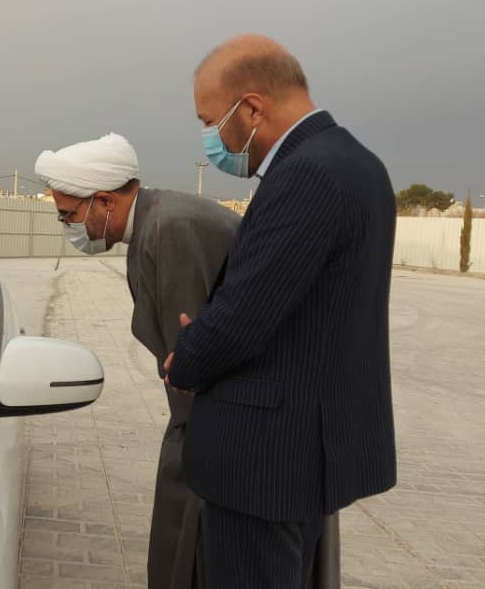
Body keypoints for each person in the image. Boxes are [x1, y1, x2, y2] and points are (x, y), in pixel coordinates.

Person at [164, 34, 397, 588]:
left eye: (210, 121)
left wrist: (187, 357)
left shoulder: (306, 173)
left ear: (251, 108)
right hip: (301, 451)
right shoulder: (359, 164)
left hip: (264, 462)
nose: (209, 138)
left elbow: (242, 318)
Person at [35, 133, 240, 589]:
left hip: (221, 435)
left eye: (68, 214)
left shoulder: (167, 229)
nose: (68, 226)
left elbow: (189, 362)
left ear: (104, 201)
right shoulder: (158, 219)